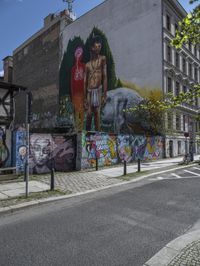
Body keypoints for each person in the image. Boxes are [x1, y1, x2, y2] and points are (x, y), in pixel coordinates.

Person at [84, 36, 107, 131]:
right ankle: (86, 136)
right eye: (96, 46)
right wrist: (85, 98)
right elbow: (84, 81)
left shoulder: (103, 59)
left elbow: (105, 77)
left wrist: (104, 94)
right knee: (89, 114)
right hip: (89, 91)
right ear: (92, 48)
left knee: (97, 113)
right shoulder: (87, 65)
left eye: (100, 46)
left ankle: (98, 139)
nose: (98, 48)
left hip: (98, 90)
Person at [71, 46, 85, 131]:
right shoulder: (73, 69)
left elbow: (86, 80)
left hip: (82, 93)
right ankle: (78, 129)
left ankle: (81, 129)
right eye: (77, 53)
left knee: (82, 112)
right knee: (77, 112)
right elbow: (71, 83)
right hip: (76, 94)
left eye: (80, 53)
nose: (78, 55)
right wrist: (72, 95)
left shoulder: (84, 66)